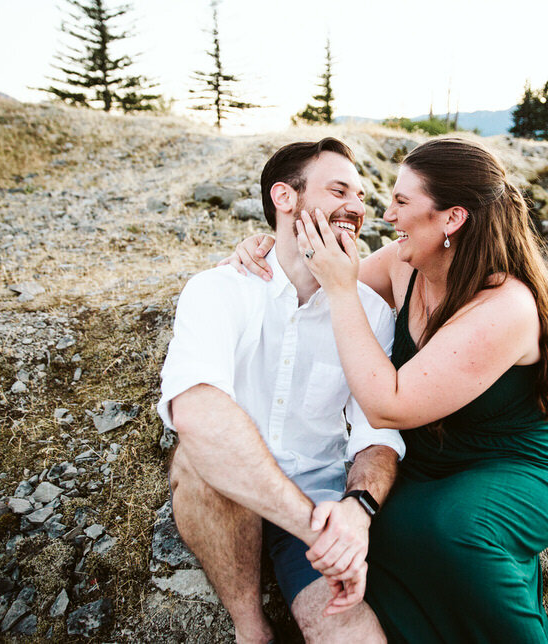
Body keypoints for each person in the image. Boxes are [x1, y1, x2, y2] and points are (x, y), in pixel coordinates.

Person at [227, 137, 548, 643]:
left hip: (511, 466)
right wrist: (260, 250)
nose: (387, 216)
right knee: (375, 532)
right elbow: (312, 283)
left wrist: (345, 288)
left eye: (402, 202)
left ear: (451, 219)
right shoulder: (404, 262)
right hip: (425, 463)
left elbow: (388, 404)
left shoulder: (505, 306)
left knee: (454, 529)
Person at [158, 138, 406, 644]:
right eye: (339, 190)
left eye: (360, 197)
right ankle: (251, 630)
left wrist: (355, 513)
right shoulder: (219, 289)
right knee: (196, 459)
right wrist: (316, 530)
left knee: (345, 630)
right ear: (284, 198)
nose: (356, 208)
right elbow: (197, 410)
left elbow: (376, 433)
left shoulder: (372, 313)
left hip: (319, 495)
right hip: (230, 491)